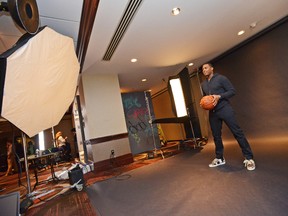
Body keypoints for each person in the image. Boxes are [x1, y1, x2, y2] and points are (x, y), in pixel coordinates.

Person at [201, 63, 256, 171]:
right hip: (213, 112)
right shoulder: (203, 84)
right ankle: (219, 158)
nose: (204, 70)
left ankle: (249, 158)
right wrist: (203, 103)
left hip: (225, 109)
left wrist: (219, 96)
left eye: (206, 67)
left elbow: (232, 91)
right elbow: (206, 97)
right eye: (202, 69)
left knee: (237, 132)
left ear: (212, 68)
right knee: (216, 136)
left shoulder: (221, 78)